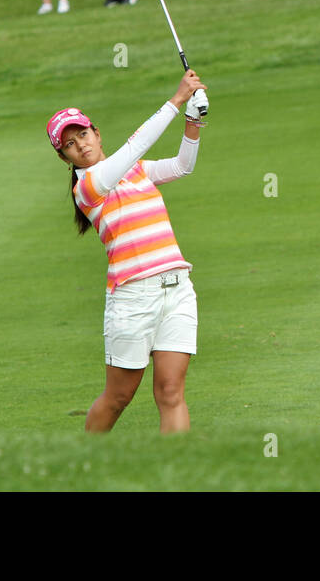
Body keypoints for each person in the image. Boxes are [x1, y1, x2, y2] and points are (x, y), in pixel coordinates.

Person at [47, 69, 208, 434]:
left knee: (171, 392)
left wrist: (193, 120)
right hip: (134, 297)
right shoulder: (88, 186)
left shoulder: (135, 172)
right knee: (119, 397)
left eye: (83, 135)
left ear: (96, 132)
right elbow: (134, 147)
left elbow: (183, 166)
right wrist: (177, 99)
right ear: (65, 157)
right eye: (70, 144)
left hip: (178, 289)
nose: (81, 145)